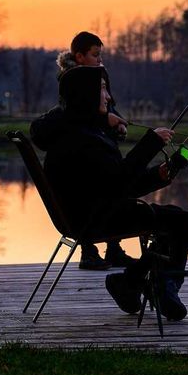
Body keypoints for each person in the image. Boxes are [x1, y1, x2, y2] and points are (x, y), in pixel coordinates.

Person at [42, 65, 188, 321]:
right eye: (102, 89)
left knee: (175, 218)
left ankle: (135, 282)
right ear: (86, 94)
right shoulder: (80, 139)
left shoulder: (79, 132)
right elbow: (119, 181)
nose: (108, 97)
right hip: (98, 218)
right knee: (184, 223)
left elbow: (117, 183)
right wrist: (151, 142)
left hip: (96, 213)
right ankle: (159, 286)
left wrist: (156, 176)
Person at [31, 31, 131, 270]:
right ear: (79, 55)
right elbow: (78, 116)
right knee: (95, 183)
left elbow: (107, 105)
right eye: (95, 55)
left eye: (100, 55)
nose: (99, 60)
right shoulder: (73, 81)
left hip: (98, 147)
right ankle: (89, 250)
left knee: (113, 176)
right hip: (82, 158)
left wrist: (117, 123)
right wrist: (106, 120)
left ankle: (113, 249)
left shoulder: (98, 75)